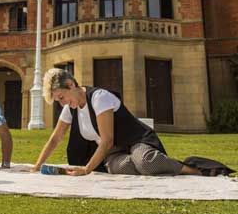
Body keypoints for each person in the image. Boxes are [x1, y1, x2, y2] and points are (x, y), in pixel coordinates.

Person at [32, 68, 212, 177]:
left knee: (146, 163)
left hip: (136, 140)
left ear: (71, 84)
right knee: (123, 168)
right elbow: (55, 138)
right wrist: (37, 166)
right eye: (58, 101)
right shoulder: (70, 108)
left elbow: (107, 140)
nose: (62, 103)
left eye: (61, 97)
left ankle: (193, 169)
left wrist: (87, 169)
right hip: (114, 153)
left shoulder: (98, 98)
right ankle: (153, 165)